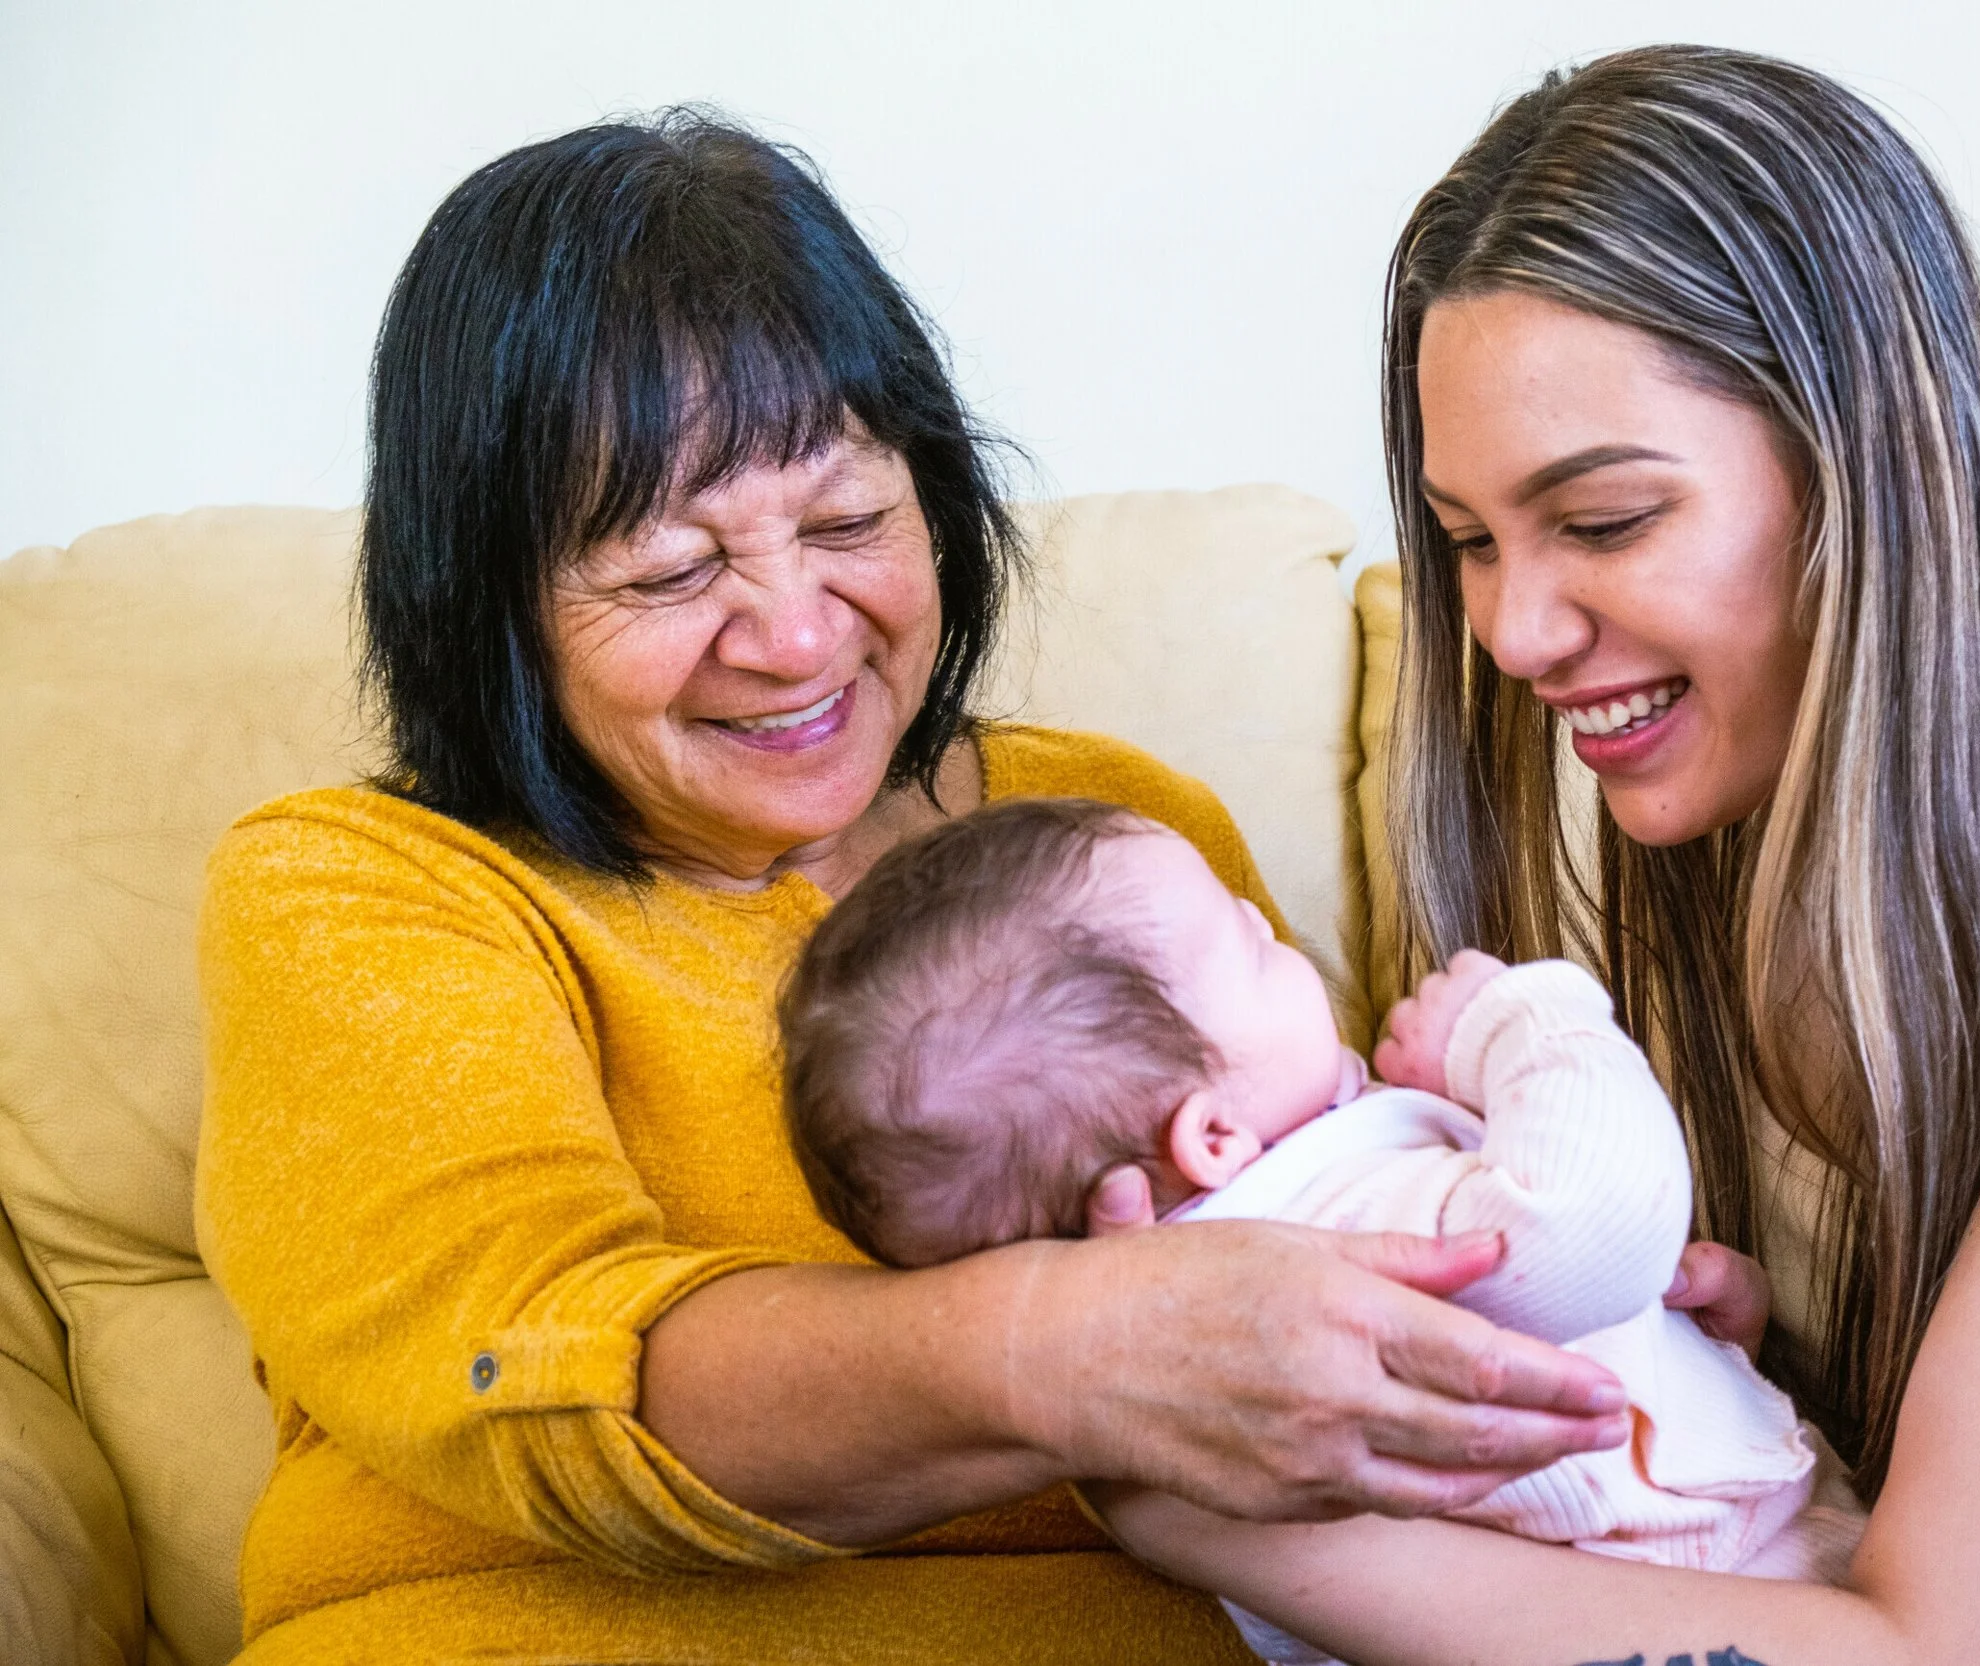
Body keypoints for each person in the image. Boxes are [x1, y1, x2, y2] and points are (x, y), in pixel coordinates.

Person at [1088, 44, 1980, 1666]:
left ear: (1868, 468)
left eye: (1605, 521)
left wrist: (1219, 1519)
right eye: (1471, 540)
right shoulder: (1751, 766)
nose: (1515, 631)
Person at [191, 113, 1633, 1662]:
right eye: (675, 572)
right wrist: (1059, 1346)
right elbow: (540, 1376)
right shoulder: (364, 889)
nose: (799, 636)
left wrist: (1606, 1319)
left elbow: (1346, 1217)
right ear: (488, 604)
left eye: (849, 520)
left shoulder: (1113, 829)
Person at [775, 796, 1866, 1660]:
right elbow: (1584, 1223)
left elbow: (1552, 1353)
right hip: (1732, 1586)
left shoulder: (1206, 1315)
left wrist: (1704, 1343)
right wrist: (1523, 1018)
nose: (1276, 931)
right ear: (1210, 1136)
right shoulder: (1315, 1233)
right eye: (1250, 948)